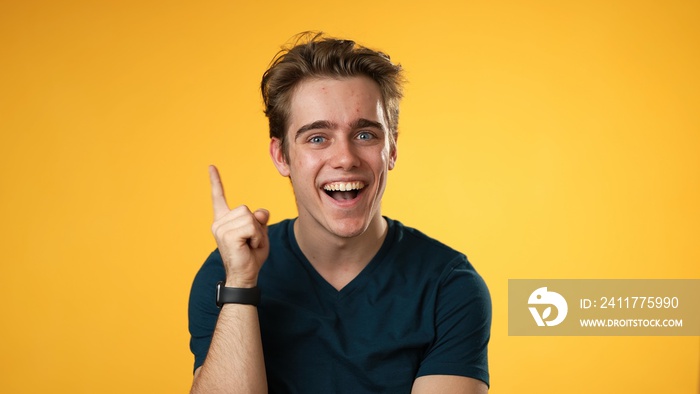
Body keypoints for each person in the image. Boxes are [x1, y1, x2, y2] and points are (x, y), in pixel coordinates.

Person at [188, 32, 492, 394]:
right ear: (281, 156)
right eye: (317, 138)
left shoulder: (450, 286)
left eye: (365, 135)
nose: (345, 158)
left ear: (391, 148)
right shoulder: (225, 273)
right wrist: (240, 284)